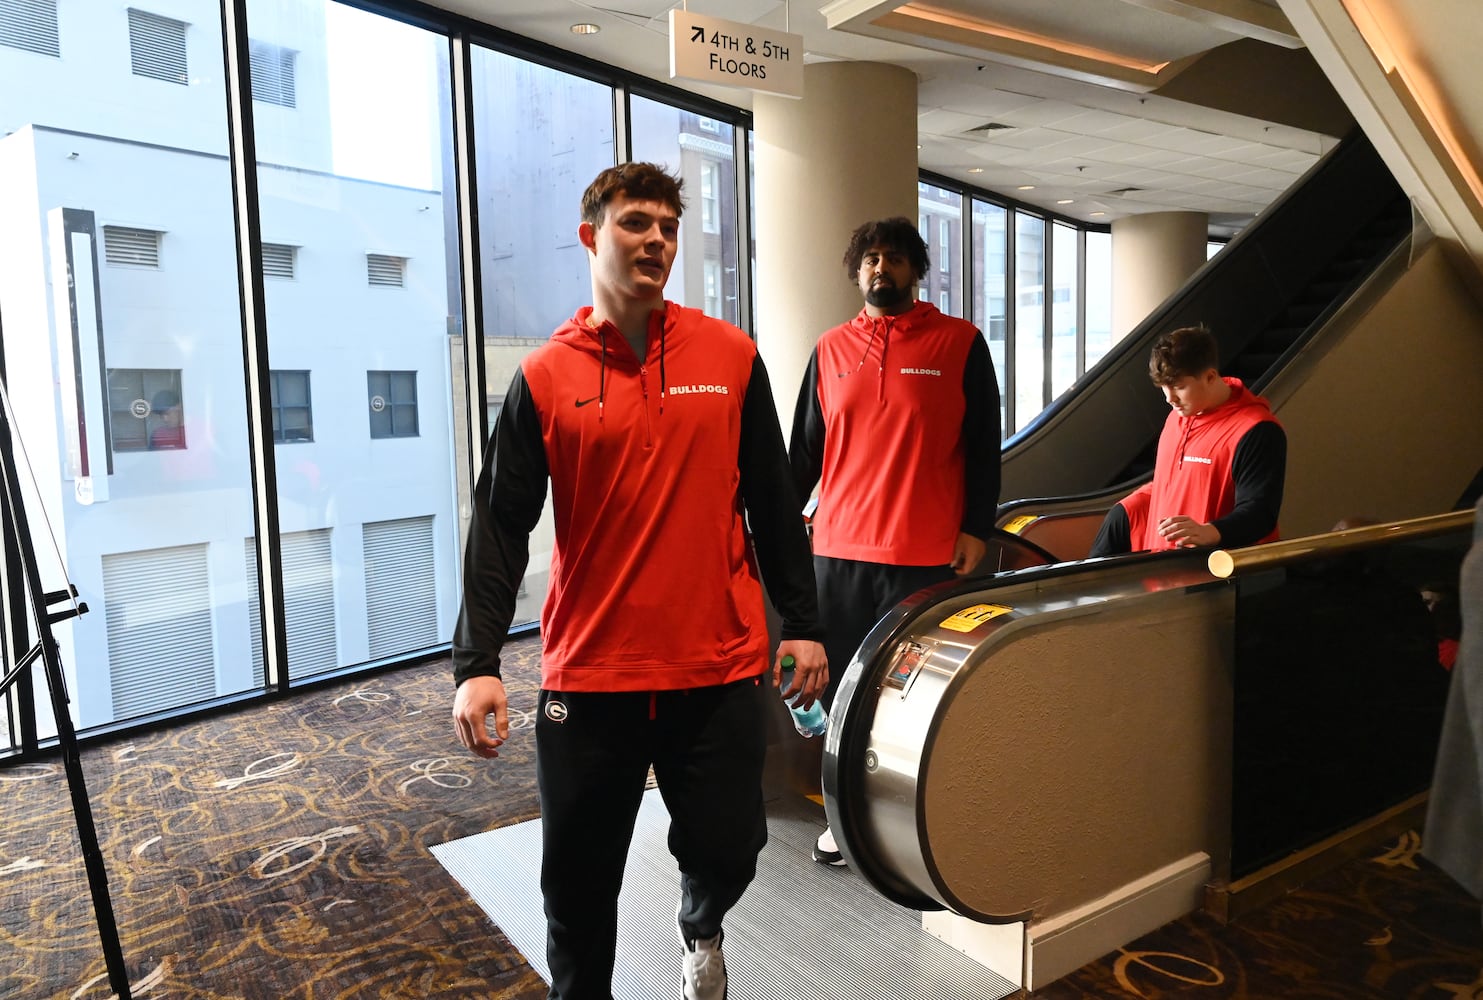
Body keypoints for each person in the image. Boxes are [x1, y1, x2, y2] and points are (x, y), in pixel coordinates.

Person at [450, 162, 827, 1000]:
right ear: (591, 237)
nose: (654, 238)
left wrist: (799, 620)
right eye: (633, 223)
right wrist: (476, 663)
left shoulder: (728, 357)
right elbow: (500, 524)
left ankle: (701, 921)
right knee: (578, 882)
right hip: (592, 673)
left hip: (717, 663)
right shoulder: (545, 376)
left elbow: (772, 500)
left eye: (666, 225)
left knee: (734, 846)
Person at [790, 216, 1001, 866]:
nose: (881, 268)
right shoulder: (828, 349)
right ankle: (846, 815)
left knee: (911, 694)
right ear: (856, 272)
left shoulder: (959, 343)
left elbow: (981, 446)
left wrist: (976, 525)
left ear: (915, 270)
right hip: (838, 551)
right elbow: (801, 453)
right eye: (870, 259)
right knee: (839, 696)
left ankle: (915, 815)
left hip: (925, 553)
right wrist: (771, 533)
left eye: (894, 258)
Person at [1088, 325, 1286, 557]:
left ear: (1210, 377)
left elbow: (1260, 513)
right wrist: (1126, 514)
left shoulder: (1256, 429)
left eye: (1179, 387)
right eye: (1164, 388)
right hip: (1165, 567)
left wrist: (1211, 531)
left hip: (1220, 575)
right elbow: (1173, 483)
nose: (1169, 398)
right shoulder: (1177, 418)